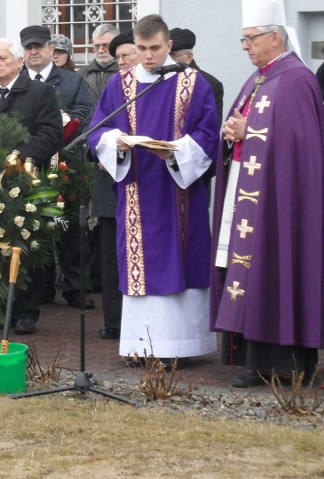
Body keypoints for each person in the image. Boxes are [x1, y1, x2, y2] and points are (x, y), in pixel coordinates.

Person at [87, 14, 219, 363]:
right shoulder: (121, 85)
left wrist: (178, 152)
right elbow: (98, 129)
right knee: (139, 265)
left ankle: (183, 345)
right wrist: (117, 142)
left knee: (180, 257)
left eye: (155, 48)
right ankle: (140, 345)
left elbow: (208, 134)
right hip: (136, 190)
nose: (148, 56)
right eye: (142, 49)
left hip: (179, 190)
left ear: (169, 45)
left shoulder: (193, 83)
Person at [210, 1, 323, 387]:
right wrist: (230, 135)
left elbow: (300, 144)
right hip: (248, 193)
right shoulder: (258, 78)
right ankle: (254, 361)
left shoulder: (296, 79)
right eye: (243, 39)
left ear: (275, 37)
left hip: (278, 199)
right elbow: (244, 126)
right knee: (248, 270)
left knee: (274, 268)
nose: (245, 45)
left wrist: (249, 132)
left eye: (250, 38)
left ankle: (286, 363)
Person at [0, 38, 63, 334]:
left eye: (2, 58)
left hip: (25, 180)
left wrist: (17, 156)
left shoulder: (40, 92)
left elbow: (50, 134)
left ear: (19, 61)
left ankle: (27, 311)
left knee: (27, 243)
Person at [20, 25, 95, 311]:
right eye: (29, 47)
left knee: (68, 230)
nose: (34, 51)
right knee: (34, 226)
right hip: (30, 163)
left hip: (66, 163)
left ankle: (76, 288)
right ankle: (42, 289)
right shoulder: (18, 81)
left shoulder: (72, 81)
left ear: (52, 49)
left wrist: (64, 124)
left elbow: (84, 114)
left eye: (39, 46)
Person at [95, 28, 137, 341]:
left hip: (143, 187)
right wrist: (105, 147)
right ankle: (114, 322)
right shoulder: (113, 87)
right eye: (118, 57)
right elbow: (94, 129)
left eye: (127, 55)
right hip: (111, 186)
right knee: (111, 259)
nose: (121, 61)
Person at [170, 28, 225, 122]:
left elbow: (210, 127)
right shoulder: (160, 79)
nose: (168, 60)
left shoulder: (210, 85)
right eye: (166, 55)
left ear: (189, 57)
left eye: (173, 55)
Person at [78, 24, 120, 103]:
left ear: (116, 45)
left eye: (106, 46)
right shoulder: (80, 74)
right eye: (97, 46)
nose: (101, 51)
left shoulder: (126, 73)